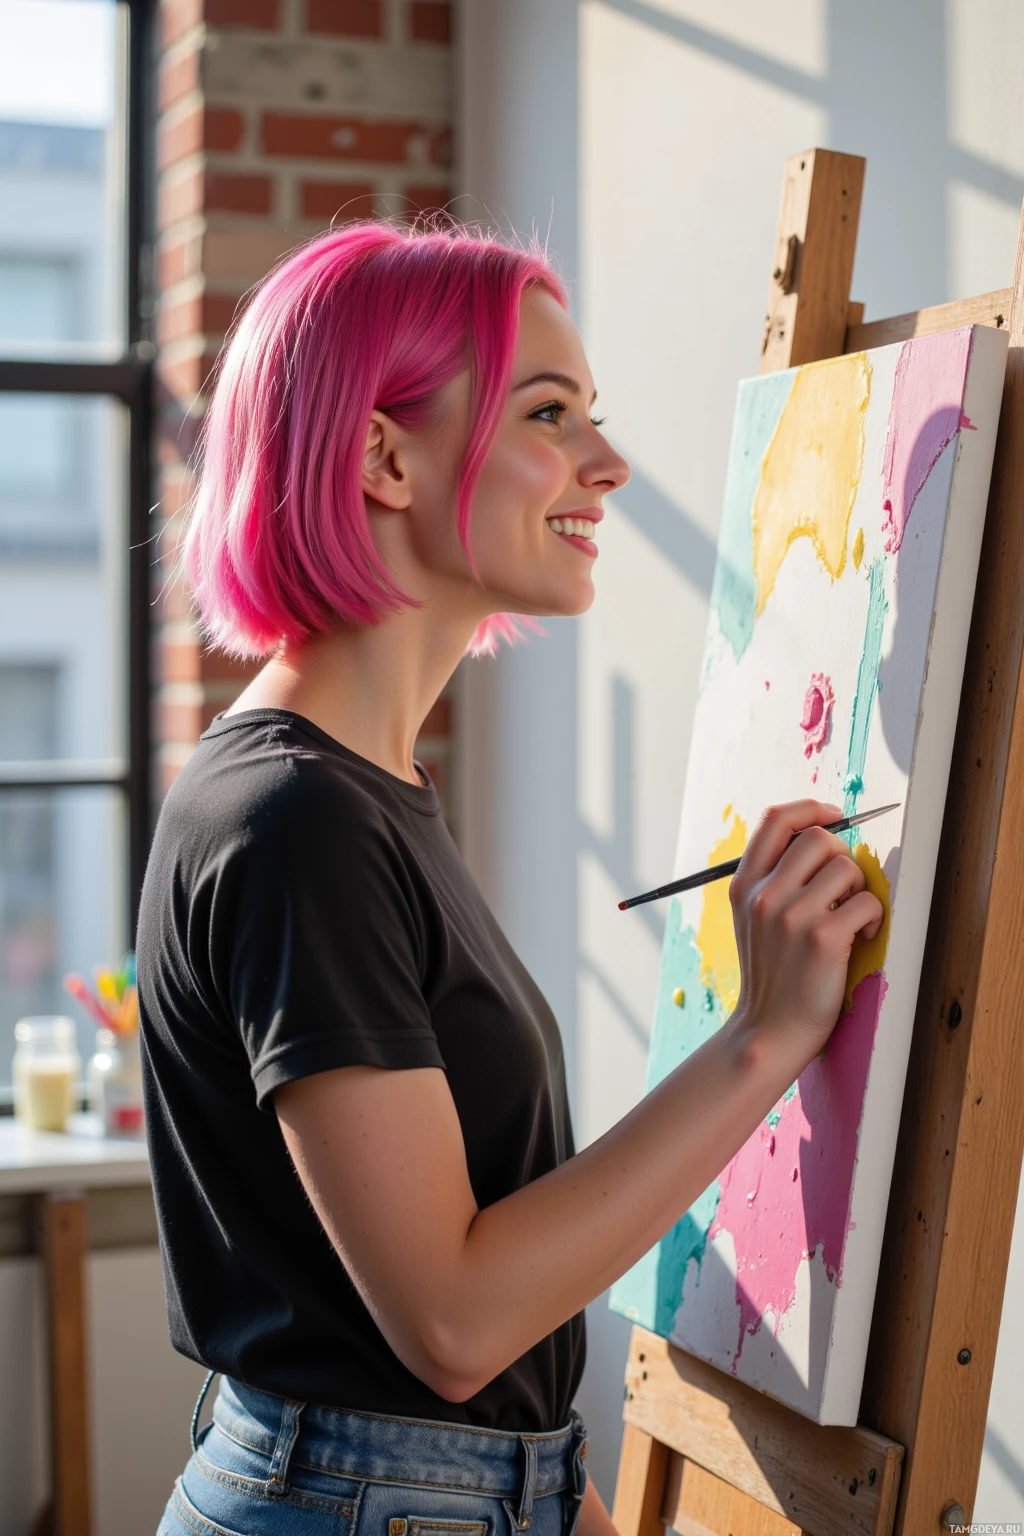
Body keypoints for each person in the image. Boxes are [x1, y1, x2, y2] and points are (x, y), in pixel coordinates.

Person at [140, 221, 884, 1536]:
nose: (609, 463)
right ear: (382, 457)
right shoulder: (295, 818)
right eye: (551, 413)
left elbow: (433, 1353)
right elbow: (453, 1321)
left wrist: (553, 1494)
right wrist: (764, 1038)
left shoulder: (362, 793)